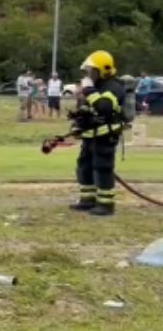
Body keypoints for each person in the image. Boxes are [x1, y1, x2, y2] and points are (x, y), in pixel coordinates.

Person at [68, 50, 128, 217]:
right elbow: (87, 110)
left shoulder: (114, 87)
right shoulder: (96, 87)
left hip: (105, 136)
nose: (89, 74)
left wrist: (88, 91)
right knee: (84, 166)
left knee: (102, 168)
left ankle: (105, 204)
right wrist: (77, 124)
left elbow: (104, 107)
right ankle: (87, 200)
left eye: (92, 71)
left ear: (104, 70)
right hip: (90, 135)